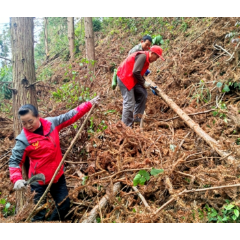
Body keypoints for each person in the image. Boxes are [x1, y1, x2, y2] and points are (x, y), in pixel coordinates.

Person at [9, 96, 100, 221]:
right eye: (24, 123)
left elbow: (70, 116)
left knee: (64, 207)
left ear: (38, 116)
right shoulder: (23, 139)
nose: (27, 125)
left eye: (30, 121)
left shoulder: (51, 124)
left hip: (57, 176)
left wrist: (89, 104)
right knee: (38, 214)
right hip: (38, 181)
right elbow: (15, 161)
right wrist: (16, 179)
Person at [117, 46, 165, 127]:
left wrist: (147, 85)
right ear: (152, 53)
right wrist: (143, 83)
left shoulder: (146, 59)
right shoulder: (143, 56)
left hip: (132, 78)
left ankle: (137, 118)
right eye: (156, 57)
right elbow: (136, 71)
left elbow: (138, 73)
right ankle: (126, 127)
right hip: (124, 77)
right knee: (129, 103)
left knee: (143, 93)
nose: (156, 59)